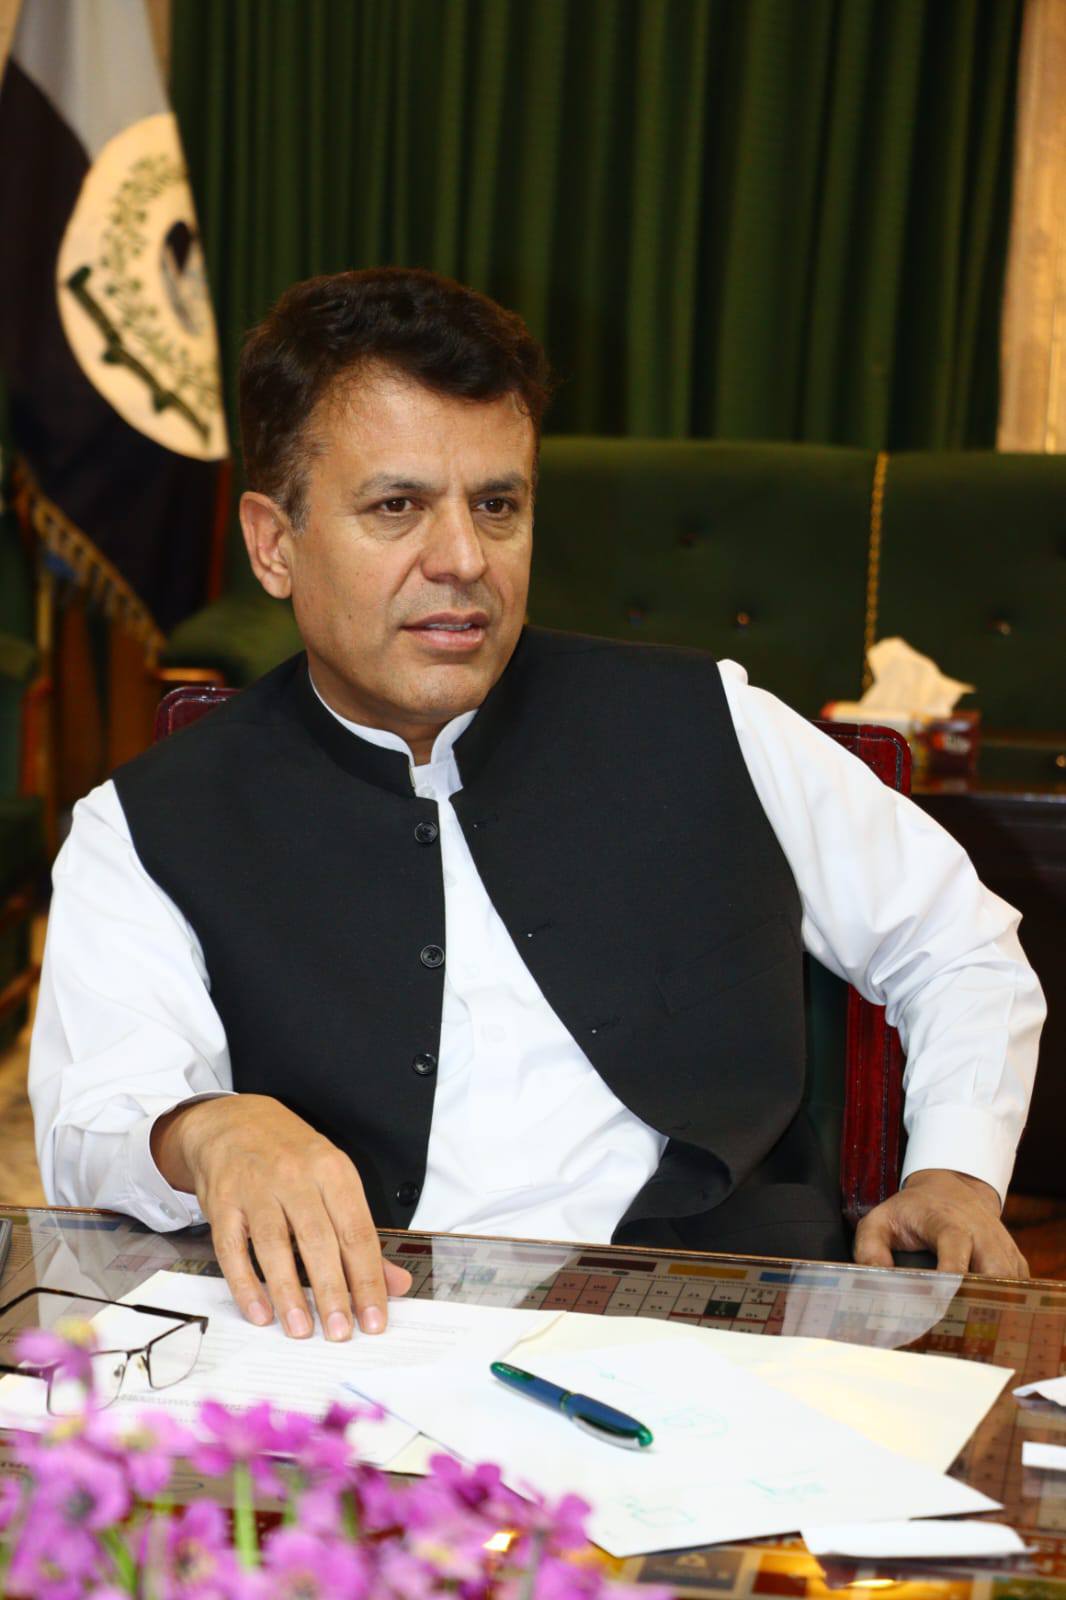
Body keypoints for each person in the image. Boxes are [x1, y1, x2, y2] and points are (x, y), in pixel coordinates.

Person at [30, 268, 1044, 1345]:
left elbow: (957, 943)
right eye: (396, 507)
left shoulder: (708, 720)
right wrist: (207, 1130)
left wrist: (955, 1173)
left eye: (497, 505)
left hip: (716, 1336)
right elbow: (91, 1120)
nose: (463, 560)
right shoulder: (148, 821)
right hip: (346, 1339)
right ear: (274, 543)